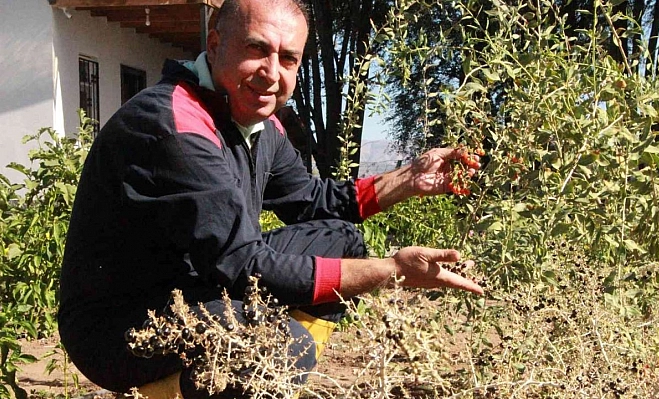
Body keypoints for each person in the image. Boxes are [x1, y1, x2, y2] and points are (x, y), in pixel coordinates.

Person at [58, 0, 484, 397]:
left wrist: (410, 178)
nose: (271, 72)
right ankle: (171, 390)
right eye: (257, 49)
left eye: (288, 59)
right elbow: (245, 265)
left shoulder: (258, 125)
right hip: (120, 327)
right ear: (214, 44)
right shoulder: (176, 126)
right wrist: (390, 270)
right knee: (283, 345)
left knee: (341, 241)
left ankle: (252, 380)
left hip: (200, 283)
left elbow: (312, 200)